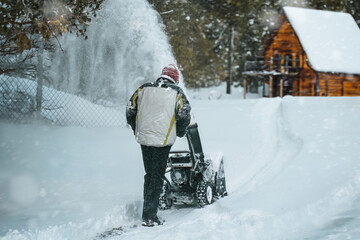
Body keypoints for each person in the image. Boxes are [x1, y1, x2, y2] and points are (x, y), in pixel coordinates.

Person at [126, 64, 191, 227]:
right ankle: (150, 216)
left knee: (149, 174)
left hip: (144, 139)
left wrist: (137, 128)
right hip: (162, 141)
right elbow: (184, 114)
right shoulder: (177, 92)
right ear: (175, 79)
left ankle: (148, 210)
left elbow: (130, 109)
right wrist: (181, 132)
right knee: (157, 176)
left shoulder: (143, 89)